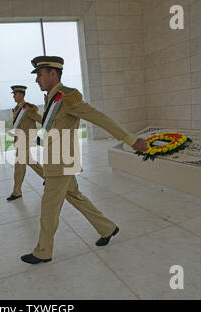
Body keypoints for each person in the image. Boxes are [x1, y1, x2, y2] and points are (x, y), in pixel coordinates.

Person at [20, 56, 148, 264]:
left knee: (49, 209)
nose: (37, 80)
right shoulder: (52, 99)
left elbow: (99, 117)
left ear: (53, 74)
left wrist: (129, 139)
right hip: (58, 162)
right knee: (75, 196)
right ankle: (107, 228)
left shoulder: (67, 97)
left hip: (60, 164)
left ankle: (43, 251)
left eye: (40, 75)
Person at [6, 85, 44, 201]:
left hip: (26, 140)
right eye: (13, 94)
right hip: (20, 140)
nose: (13, 96)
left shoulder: (28, 109)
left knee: (19, 166)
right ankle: (48, 177)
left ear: (21, 95)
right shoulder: (17, 108)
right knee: (30, 161)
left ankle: (16, 191)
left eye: (15, 94)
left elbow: (41, 120)